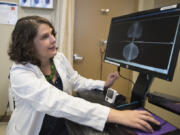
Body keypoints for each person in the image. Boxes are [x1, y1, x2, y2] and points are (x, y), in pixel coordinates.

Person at [7, 16, 160, 135]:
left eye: (52, 33)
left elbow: (75, 80)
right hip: (35, 131)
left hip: (62, 126)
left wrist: (103, 84)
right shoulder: (21, 73)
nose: (53, 39)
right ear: (28, 44)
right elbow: (57, 101)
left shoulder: (57, 58)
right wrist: (117, 115)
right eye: (45, 36)